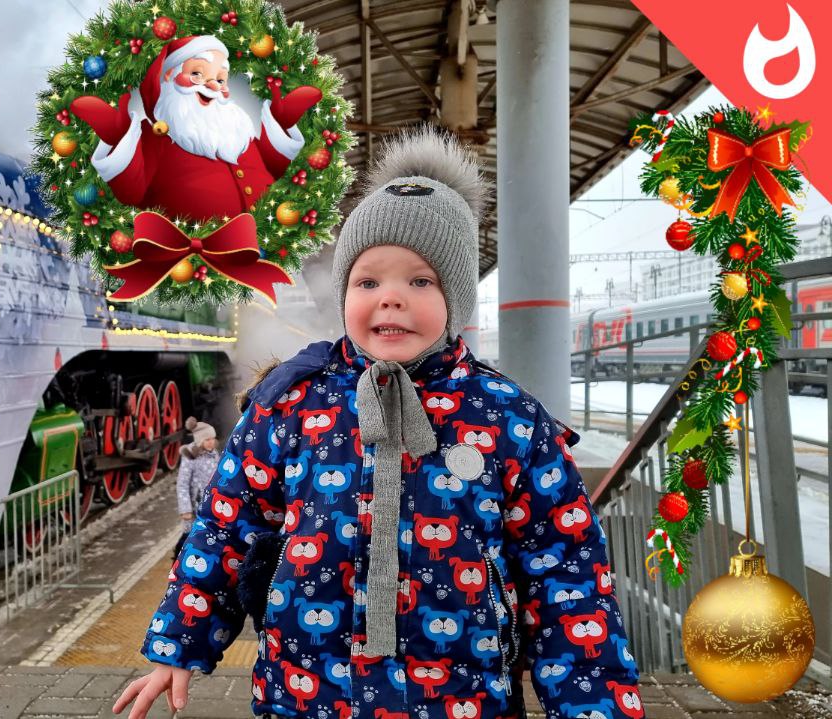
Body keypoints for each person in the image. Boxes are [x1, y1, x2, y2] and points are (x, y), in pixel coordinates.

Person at [113, 126, 645, 719]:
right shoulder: (290, 404)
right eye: (368, 281)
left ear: (458, 300)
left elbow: (565, 572)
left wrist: (594, 705)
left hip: (462, 700)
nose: (391, 298)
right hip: (307, 695)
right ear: (344, 295)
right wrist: (177, 645)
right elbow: (226, 529)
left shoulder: (508, 417)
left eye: (421, 281)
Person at [70, 34, 322, 222]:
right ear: (169, 77)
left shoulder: (237, 132)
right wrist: (119, 137)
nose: (213, 86)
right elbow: (130, 191)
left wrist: (280, 123)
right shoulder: (158, 138)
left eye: (221, 79)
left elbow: (273, 166)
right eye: (198, 74)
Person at [172, 419, 221, 563]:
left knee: (207, 534)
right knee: (189, 535)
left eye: (212, 439)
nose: (211, 442)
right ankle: (178, 560)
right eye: (207, 440)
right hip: (194, 506)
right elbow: (182, 484)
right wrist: (185, 509)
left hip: (210, 504)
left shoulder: (214, 454)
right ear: (199, 441)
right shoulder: (190, 457)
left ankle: (203, 561)